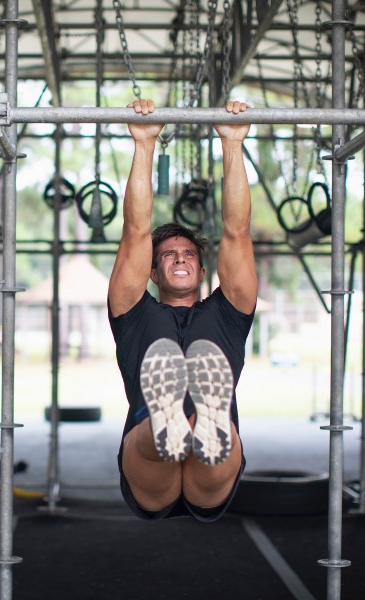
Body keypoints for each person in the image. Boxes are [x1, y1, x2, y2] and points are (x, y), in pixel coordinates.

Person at [108, 99, 257, 521]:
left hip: (212, 472)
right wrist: (144, 143)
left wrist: (232, 143)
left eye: (188, 254)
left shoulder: (228, 313)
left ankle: (198, 424)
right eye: (168, 255)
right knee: (154, 437)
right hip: (149, 468)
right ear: (152, 272)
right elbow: (135, 232)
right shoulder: (133, 313)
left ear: (204, 269)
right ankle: (174, 423)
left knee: (209, 439)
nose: (178, 259)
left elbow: (237, 232)